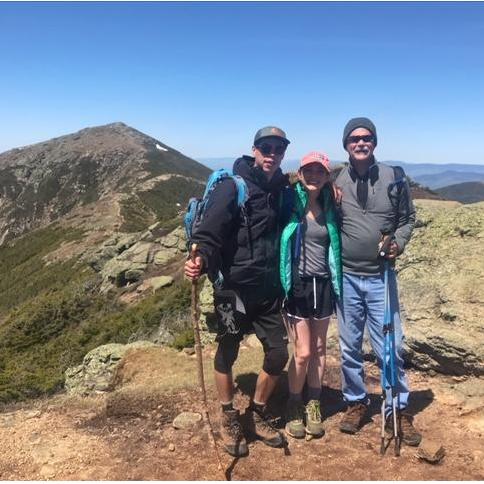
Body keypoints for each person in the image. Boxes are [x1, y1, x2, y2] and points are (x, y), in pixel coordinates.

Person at [184, 126, 292, 457]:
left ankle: (258, 411)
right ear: (255, 150)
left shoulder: (281, 189)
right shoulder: (233, 186)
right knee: (228, 350)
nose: (272, 152)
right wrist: (199, 259)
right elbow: (210, 230)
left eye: (279, 147)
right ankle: (228, 414)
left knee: (277, 353)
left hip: (267, 290)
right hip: (233, 290)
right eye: (266, 147)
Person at [334, 117, 422, 446]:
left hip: (381, 276)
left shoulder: (394, 177)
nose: (360, 142)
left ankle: (397, 409)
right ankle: (356, 402)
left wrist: (399, 241)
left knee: (391, 346)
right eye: (354, 138)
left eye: (367, 137)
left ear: (374, 142)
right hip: (347, 277)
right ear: (346, 144)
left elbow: (408, 218)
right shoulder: (335, 180)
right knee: (349, 346)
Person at [279, 152, 342, 440]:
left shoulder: (332, 204)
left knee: (319, 349)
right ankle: (294, 403)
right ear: (300, 174)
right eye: (309, 170)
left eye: (320, 171)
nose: (314, 175)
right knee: (302, 352)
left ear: (327, 176)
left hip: (324, 284)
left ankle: (313, 402)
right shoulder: (289, 202)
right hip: (299, 285)